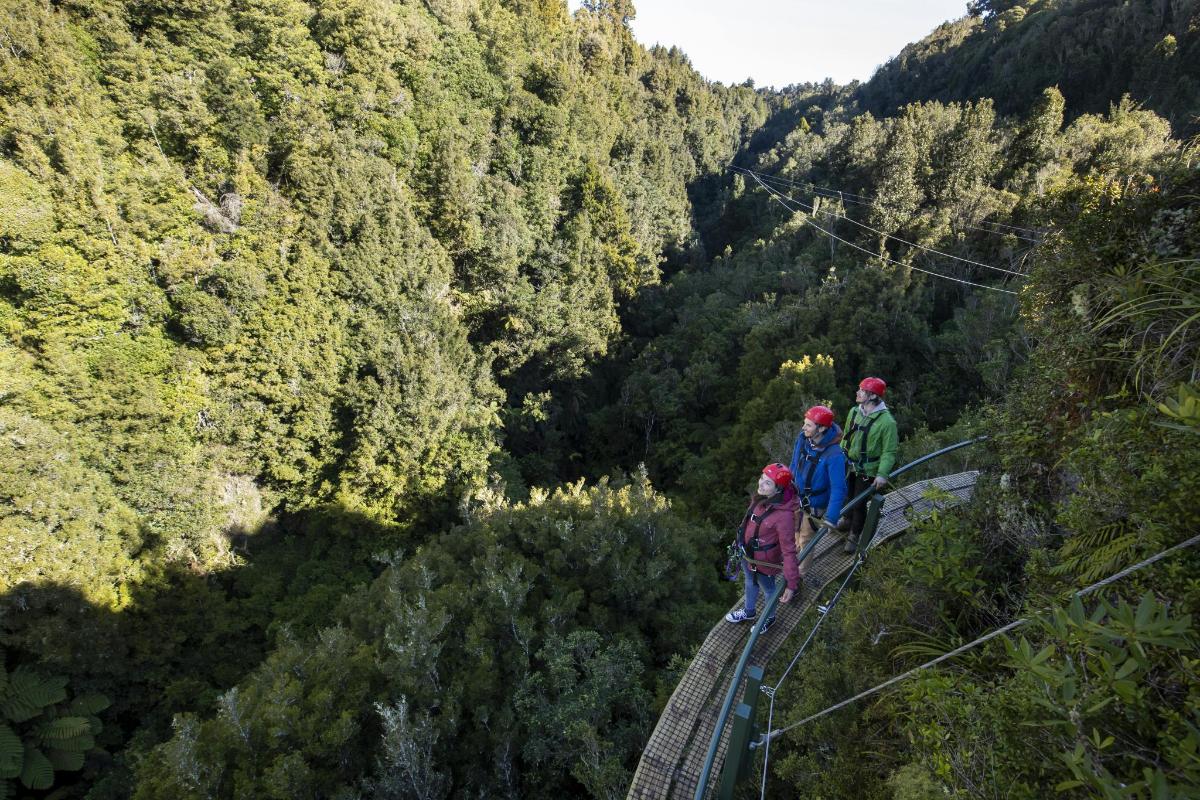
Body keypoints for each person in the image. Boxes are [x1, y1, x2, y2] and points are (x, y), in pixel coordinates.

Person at [724, 463, 801, 633]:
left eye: (767, 483)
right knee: (750, 582)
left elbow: (789, 551)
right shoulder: (760, 498)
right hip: (747, 554)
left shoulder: (784, 516)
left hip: (766, 562)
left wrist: (791, 584)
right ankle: (749, 611)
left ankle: (769, 618)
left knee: (769, 590)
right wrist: (739, 542)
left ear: (778, 489)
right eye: (761, 479)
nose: (760, 484)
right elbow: (748, 523)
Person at [788, 405, 847, 585]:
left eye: (808, 425)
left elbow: (839, 488)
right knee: (794, 532)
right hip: (796, 496)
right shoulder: (804, 438)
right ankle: (796, 557)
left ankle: (800, 575)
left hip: (814, 503)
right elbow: (795, 460)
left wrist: (831, 517)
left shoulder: (834, 454)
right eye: (804, 424)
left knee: (806, 538)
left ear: (821, 428)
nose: (803, 428)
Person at [839, 377, 899, 554]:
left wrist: (882, 474)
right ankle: (847, 520)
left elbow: (889, 452)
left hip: (868, 469)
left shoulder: (887, 422)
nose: (858, 393)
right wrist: (839, 456)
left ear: (872, 396)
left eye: (862, 391)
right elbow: (846, 437)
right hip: (849, 464)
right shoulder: (854, 412)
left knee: (859, 502)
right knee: (847, 495)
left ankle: (854, 534)